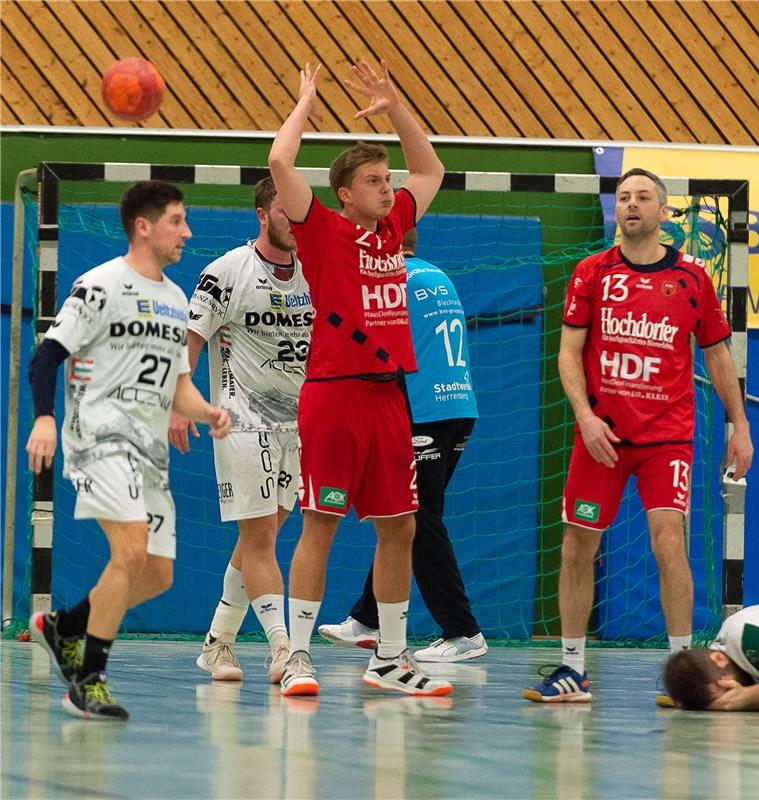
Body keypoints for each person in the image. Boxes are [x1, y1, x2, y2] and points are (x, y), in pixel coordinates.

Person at [523, 168, 753, 703]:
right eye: (623, 197)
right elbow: (568, 353)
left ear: (662, 211)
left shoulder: (693, 279)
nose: (631, 205)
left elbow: (718, 356)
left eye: (642, 197)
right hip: (600, 434)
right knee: (577, 544)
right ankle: (572, 670)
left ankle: (682, 671)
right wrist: (583, 416)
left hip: (665, 439)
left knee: (668, 539)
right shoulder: (591, 272)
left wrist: (739, 424)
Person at [268, 59, 450, 697]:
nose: (386, 187)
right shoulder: (321, 230)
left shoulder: (395, 227)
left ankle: (390, 659)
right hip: (335, 395)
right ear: (345, 192)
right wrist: (305, 105)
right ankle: (295, 655)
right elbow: (280, 165)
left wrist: (395, 105)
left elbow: (431, 169)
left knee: (400, 523)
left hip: (389, 397)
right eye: (374, 180)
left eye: (385, 180)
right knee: (321, 520)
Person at [26, 180, 231, 721]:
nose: (187, 232)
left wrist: (205, 411)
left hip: (147, 447)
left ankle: (67, 628)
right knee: (131, 551)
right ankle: (87, 680)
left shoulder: (174, 297)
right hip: (97, 435)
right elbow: (45, 358)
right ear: (144, 226)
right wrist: (45, 417)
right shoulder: (100, 285)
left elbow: (178, 387)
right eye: (177, 221)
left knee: (158, 574)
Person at [318, 228, 487, 662]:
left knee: (417, 518)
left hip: (424, 410)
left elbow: (373, 346)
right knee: (402, 516)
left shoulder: (390, 280)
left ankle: (463, 632)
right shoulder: (437, 275)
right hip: (458, 405)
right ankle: (368, 618)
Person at [168, 177, 309, 684]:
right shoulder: (226, 272)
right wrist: (181, 404)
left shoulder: (316, 270)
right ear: (262, 214)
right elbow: (190, 338)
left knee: (262, 536)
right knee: (259, 537)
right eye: (282, 208)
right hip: (240, 418)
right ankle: (284, 652)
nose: (293, 216)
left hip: (300, 423)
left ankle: (218, 641)